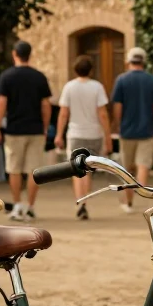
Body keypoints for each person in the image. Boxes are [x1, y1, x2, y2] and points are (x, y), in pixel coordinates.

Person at [0, 41, 52, 222]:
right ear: (30, 54)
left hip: (14, 129)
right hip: (35, 129)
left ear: (14, 54)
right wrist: (44, 126)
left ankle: (17, 204)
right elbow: (46, 105)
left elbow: (1, 104)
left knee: (15, 169)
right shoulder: (39, 77)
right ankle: (31, 206)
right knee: (34, 170)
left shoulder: (7, 77)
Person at [54, 54, 110, 219]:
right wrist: (107, 137)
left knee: (76, 169)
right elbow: (103, 114)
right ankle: (86, 200)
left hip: (75, 133)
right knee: (88, 169)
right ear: (91, 70)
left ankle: (81, 202)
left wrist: (59, 134)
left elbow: (63, 113)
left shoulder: (69, 87)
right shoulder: (97, 87)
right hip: (94, 133)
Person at [110, 46, 153, 212]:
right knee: (143, 165)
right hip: (147, 130)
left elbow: (117, 106)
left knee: (127, 167)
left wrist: (117, 124)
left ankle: (128, 202)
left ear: (128, 62)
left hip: (127, 130)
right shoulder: (152, 80)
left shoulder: (121, 80)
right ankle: (143, 196)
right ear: (143, 62)